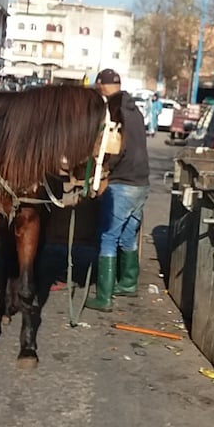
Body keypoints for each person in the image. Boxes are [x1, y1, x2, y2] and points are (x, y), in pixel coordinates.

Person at [85, 68, 150, 312]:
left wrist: (106, 167)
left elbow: (117, 147)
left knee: (108, 236)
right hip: (142, 183)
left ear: (101, 85)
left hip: (123, 183)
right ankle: (129, 283)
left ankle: (104, 297)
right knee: (128, 235)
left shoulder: (113, 110)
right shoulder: (135, 109)